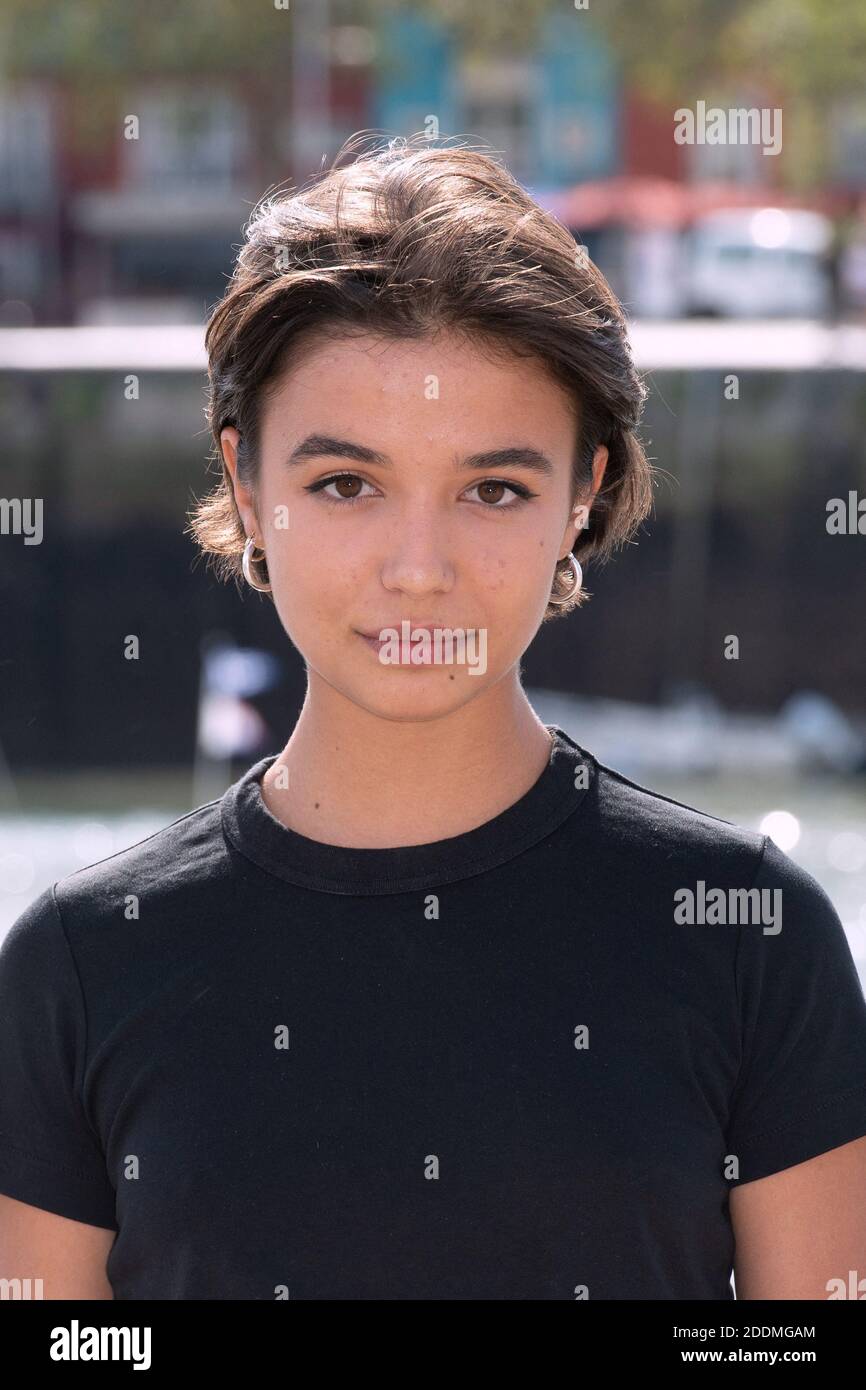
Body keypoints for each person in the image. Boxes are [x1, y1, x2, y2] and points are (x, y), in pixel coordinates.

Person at [2, 134, 866, 1301]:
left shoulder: (753, 941)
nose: (420, 570)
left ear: (583, 495)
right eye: (344, 484)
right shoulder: (76, 967)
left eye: (492, 489)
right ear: (247, 487)